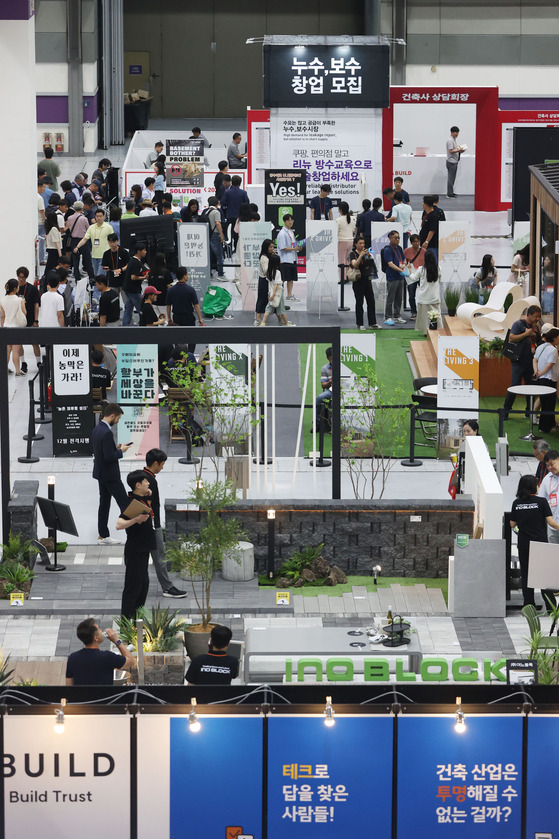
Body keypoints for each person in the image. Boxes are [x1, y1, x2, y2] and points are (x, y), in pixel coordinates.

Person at [142, 449, 186, 599]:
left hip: (145, 525)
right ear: (155, 463)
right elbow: (146, 506)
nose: (162, 467)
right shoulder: (150, 481)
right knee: (160, 557)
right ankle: (167, 588)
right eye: (162, 464)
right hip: (152, 525)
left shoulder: (142, 476)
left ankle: (143, 585)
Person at [512, 474, 559, 611]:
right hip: (540, 544)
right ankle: (551, 608)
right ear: (533, 486)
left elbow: (512, 523)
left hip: (524, 544)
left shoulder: (517, 503)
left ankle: (529, 606)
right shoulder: (542, 502)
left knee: (526, 575)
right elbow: (550, 522)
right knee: (544, 576)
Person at [116, 470, 156, 619]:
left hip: (143, 550)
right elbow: (119, 525)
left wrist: (149, 493)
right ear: (138, 485)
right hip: (135, 551)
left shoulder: (142, 498)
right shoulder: (132, 503)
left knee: (143, 585)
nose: (148, 483)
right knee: (133, 588)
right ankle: (127, 622)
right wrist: (136, 519)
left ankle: (137, 619)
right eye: (146, 482)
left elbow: (150, 498)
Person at [92, 403, 132, 546]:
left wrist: (115, 448)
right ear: (112, 415)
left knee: (104, 504)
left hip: (100, 473)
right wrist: (122, 451)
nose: (118, 421)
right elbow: (109, 457)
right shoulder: (107, 432)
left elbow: (103, 452)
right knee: (125, 504)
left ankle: (103, 535)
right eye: (118, 418)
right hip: (110, 476)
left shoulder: (98, 429)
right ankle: (133, 535)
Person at [66, 618, 134, 686]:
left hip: (81, 696)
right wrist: (117, 641)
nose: (101, 631)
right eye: (99, 629)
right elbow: (131, 661)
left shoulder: (73, 658)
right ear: (96, 638)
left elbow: (69, 686)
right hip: (106, 696)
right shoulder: (107, 657)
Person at [502, 304, 542, 420]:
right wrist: (526, 334)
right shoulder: (518, 324)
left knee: (531, 387)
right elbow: (511, 338)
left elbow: (539, 341)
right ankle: (505, 412)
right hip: (518, 361)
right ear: (528, 315)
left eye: (539, 316)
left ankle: (528, 412)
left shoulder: (536, 327)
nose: (537, 319)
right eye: (535, 316)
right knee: (514, 386)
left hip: (531, 362)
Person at [166, 267, 205, 347]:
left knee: (178, 337)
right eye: (187, 274)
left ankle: (179, 354)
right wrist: (200, 319)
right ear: (184, 276)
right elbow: (196, 305)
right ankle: (190, 354)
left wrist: (169, 317)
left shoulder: (171, 290)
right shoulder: (190, 290)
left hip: (177, 316)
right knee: (191, 337)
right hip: (188, 317)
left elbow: (168, 305)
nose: (188, 276)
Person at [349, 235, 379, 331]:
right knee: (359, 302)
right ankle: (360, 323)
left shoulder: (366, 253)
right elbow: (355, 264)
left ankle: (373, 323)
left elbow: (371, 263)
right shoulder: (353, 254)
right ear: (355, 244)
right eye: (360, 243)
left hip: (367, 279)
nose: (362, 245)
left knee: (371, 301)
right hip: (358, 281)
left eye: (363, 243)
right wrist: (361, 255)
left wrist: (369, 256)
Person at [73, 208, 113, 277]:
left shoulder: (108, 227)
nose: (99, 218)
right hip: (94, 255)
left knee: (99, 276)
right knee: (97, 276)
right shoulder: (91, 227)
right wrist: (77, 247)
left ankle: (97, 287)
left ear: (104, 217)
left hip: (104, 255)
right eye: (97, 216)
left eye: (100, 216)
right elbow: (85, 239)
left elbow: (112, 240)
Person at [533, 327, 559, 432]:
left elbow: (534, 360)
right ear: (554, 338)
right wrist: (540, 373)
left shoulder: (541, 346)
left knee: (544, 403)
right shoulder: (553, 350)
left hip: (542, 379)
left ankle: (547, 425)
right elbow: (549, 365)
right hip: (549, 379)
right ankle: (545, 427)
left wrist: (537, 372)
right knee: (549, 405)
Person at [410, 249, 442, 335]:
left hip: (423, 297)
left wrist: (409, 270)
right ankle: (436, 330)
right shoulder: (438, 269)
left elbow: (413, 278)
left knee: (424, 317)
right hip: (434, 297)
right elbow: (439, 280)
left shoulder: (421, 269)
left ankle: (425, 332)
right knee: (436, 316)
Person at [259, 253, 294, 327]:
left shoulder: (269, 272)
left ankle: (263, 323)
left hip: (270, 292)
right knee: (281, 309)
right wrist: (273, 294)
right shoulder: (278, 272)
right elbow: (276, 285)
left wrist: (271, 294)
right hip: (277, 294)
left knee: (268, 308)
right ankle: (286, 323)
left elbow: (270, 283)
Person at [0, 279, 27, 376]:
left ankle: (5, 368)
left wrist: (2, 327)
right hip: (16, 328)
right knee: (16, 351)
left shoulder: (2, 300)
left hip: (7, 327)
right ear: (15, 288)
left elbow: (2, 316)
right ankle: (18, 370)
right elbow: (24, 313)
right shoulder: (19, 300)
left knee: (8, 350)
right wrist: (23, 303)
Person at [16, 266, 40, 371]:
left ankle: (39, 362)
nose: (21, 279)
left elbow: (36, 305)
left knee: (35, 342)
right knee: (19, 343)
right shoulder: (13, 288)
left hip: (30, 320)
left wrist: (36, 320)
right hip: (18, 321)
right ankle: (23, 363)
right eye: (20, 277)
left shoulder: (32, 289)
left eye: (23, 277)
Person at [382, 230, 407, 326]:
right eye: (395, 238)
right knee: (390, 298)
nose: (397, 239)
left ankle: (397, 316)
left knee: (399, 297)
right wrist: (400, 270)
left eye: (398, 237)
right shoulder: (388, 249)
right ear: (390, 238)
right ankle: (388, 317)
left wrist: (404, 264)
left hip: (400, 277)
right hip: (392, 277)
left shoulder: (400, 248)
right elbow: (390, 264)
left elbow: (404, 259)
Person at [122, 242, 148, 326]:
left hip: (128, 289)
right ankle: (144, 325)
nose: (145, 252)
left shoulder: (132, 260)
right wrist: (144, 278)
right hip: (133, 290)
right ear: (138, 251)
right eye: (144, 250)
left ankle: (125, 326)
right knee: (141, 309)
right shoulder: (136, 262)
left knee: (128, 310)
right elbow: (133, 277)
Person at [276, 214, 301, 303]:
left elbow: (292, 245)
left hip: (292, 258)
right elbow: (283, 247)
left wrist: (298, 247)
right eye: (288, 220)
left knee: (291, 278)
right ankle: (280, 295)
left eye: (292, 220)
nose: (290, 222)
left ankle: (289, 295)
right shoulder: (282, 233)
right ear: (285, 221)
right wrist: (294, 248)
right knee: (283, 278)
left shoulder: (291, 232)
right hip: (285, 259)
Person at [221, 175, 249, 251]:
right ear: (240, 183)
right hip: (240, 217)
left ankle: (229, 249)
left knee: (229, 233)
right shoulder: (243, 193)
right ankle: (237, 249)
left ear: (231, 182)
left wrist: (226, 208)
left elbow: (222, 203)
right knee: (238, 234)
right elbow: (247, 203)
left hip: (230, 216)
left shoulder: (227, 192)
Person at [101, 233, 129, 301]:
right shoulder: (106, 254)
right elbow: (104, 266)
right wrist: (105, 268)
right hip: (112, 280)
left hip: (123, 280)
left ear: (117, 241)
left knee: (126, 301)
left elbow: (128, 264)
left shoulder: (123, 252)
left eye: (114, 242)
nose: (112, 244)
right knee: (114, 300)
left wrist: (121, 269)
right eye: (110, 242)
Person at [404, 234, 425, 321]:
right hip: (411, 275)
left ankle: (423, 312)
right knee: (411, 295)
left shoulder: (424, 251)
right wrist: (405, 264)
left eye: (418, 241)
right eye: (415, 242)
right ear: (411, 242)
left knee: (423, 294)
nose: (417, 243)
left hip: (421, 275)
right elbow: (403, 260)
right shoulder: (406, 251)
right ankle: (413, 312)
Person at [204, 197, 225, 279]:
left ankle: (209, 273)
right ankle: (220, 274)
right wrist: (222, 235)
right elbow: (218, 224)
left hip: (208, 235)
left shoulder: (206, 212)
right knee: (219, 255)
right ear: (217, 204)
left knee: (209, 255)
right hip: (215, 235)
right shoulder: (216, 212)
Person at [313, 347, 333, 432]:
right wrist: (330, 382)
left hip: (344, 389)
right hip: (331, 390)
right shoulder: (325, 368)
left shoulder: (343, 366)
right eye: (332, 358)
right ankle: (317, 422)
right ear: (328, 358)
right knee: (319, 398)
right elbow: (323, 385)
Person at [446, 125, 465, 198]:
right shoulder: (450, 141)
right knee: (451, 178)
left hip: (454, 161)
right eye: (455, 132)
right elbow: (451, 151)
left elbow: (454, 150)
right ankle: (449, 193)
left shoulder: (453, 140)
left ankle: (451, 192)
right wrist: (459, 150)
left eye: (457, 133)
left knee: (452, 178)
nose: (457, 134)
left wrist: (459, 150)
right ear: (452, 132)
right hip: (451, 162)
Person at [419, 195, 439, 262]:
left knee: (433, 261)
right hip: (424, 243)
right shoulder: (425, 214)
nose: (422, 204)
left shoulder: (433, 216)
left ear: (426, 204)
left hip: (431, 244)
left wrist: (426, 242)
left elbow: (432, 230)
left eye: (423, 202)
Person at [336, 202, 355, 269]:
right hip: (350, 241)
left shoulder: (338, 220)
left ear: (340, 210)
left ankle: (342, 278)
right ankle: (347, 276)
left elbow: (336, 232)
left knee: (341, 261)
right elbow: (353, 230)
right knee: (347, 260)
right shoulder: (352, 219)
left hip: (342, 241)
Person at [43, 211, 62, 276]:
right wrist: (60, 256)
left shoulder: (49, 229)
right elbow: (57, 243)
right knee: (53, 268)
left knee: (49, 268)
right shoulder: (54, 229)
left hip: (51, 251)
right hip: (55, 251)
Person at [37, 180, 47, 264]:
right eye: (43, 187)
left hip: (35, 222)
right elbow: (42, 211)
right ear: (38, 187)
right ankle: (41, 259)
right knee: (41, 241)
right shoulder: (40, 198)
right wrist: (45, 220)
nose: (44, 189)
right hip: (40, 222)